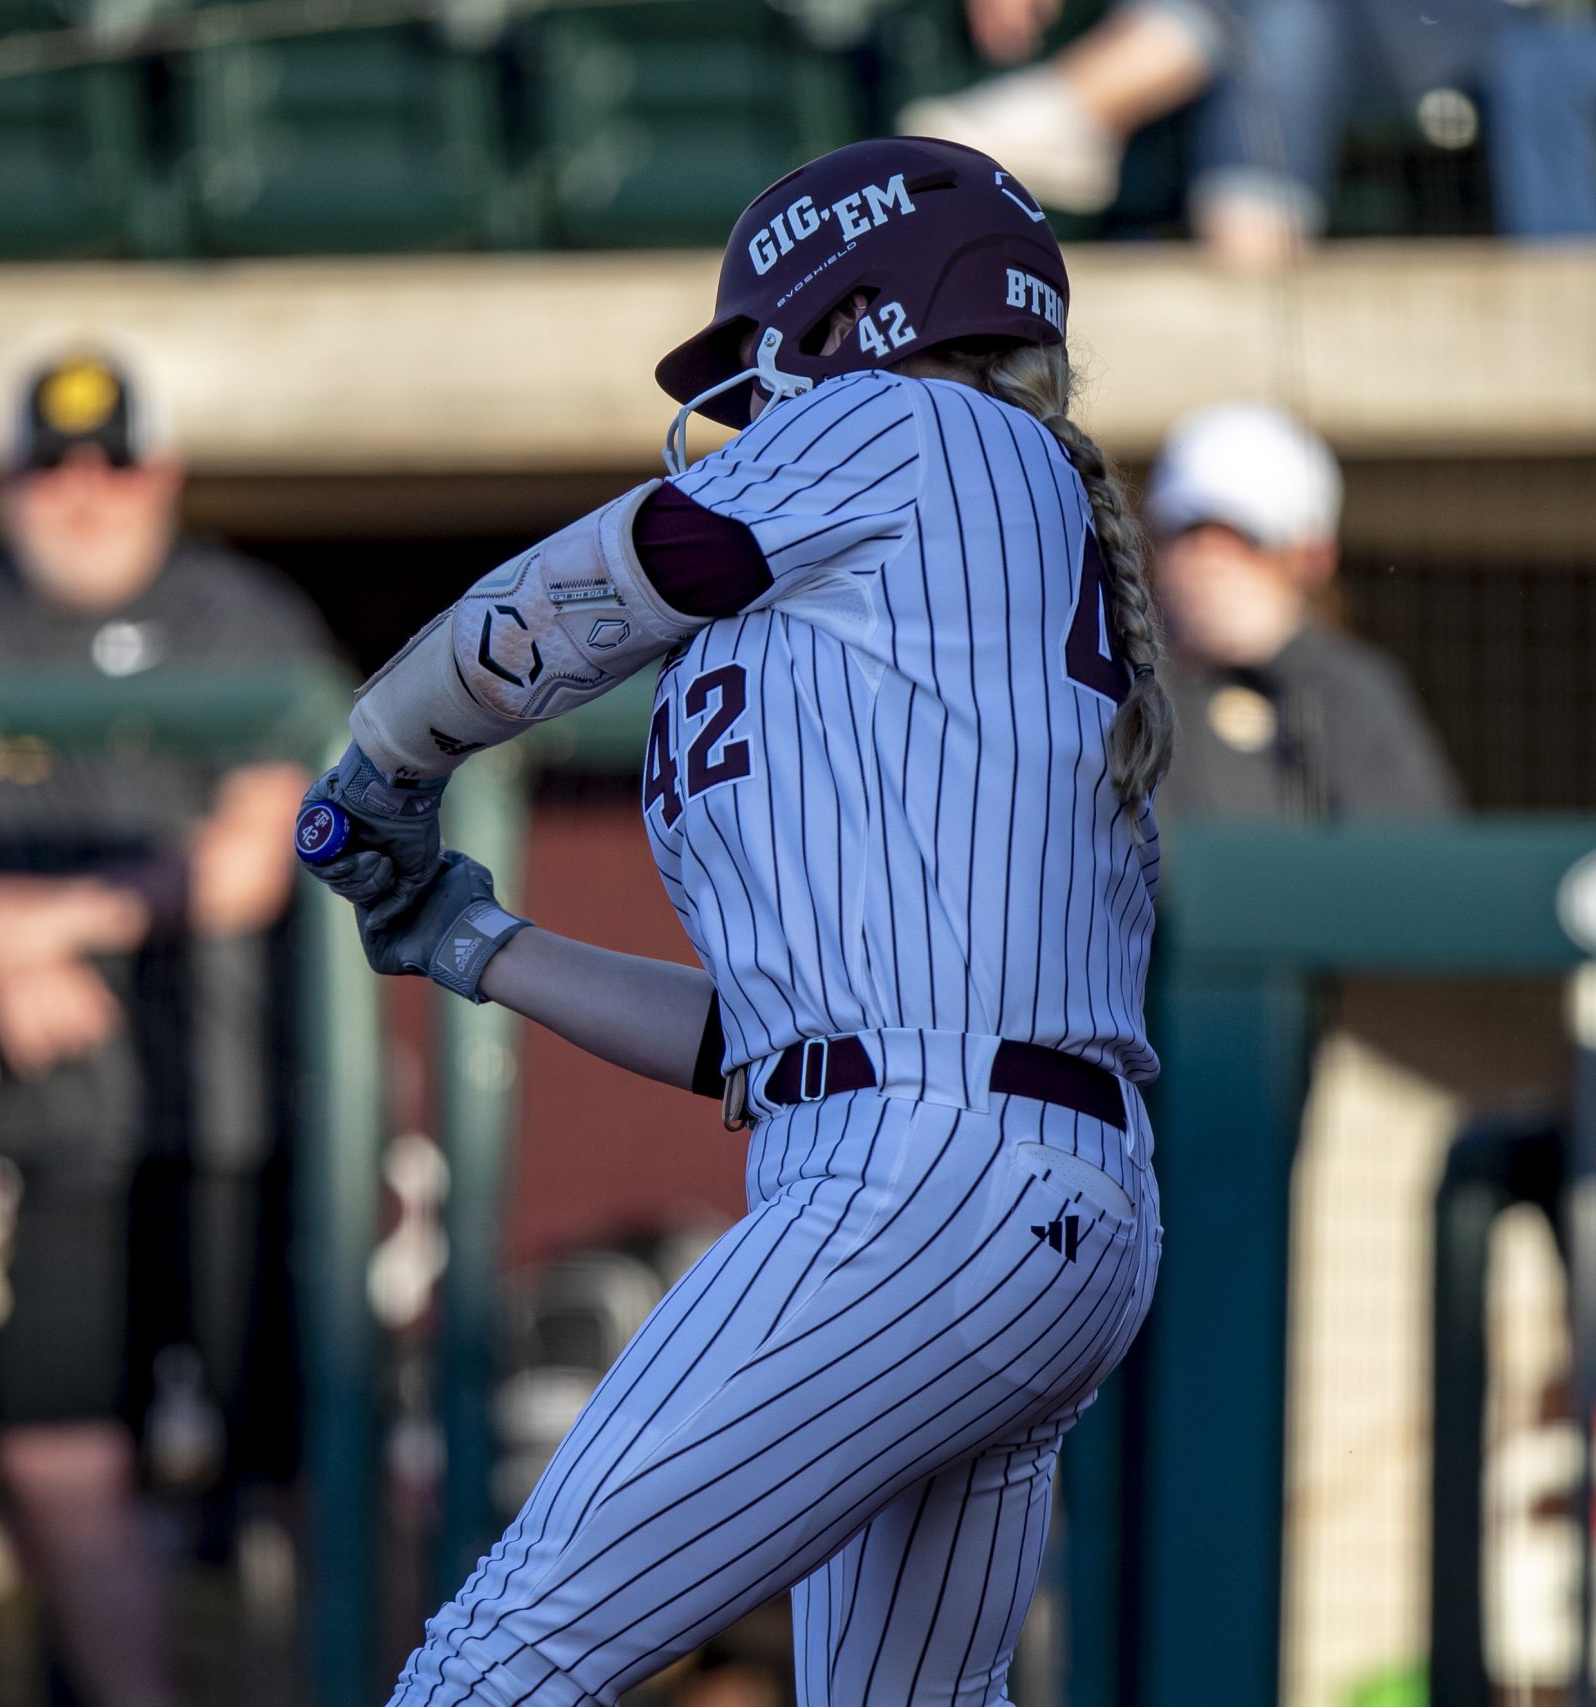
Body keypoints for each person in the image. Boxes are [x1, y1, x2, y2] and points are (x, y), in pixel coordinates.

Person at [298, 137, 1169, 1704]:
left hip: (920, 1173)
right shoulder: (957, 570)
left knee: (497, 1660)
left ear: (848, 315)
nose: (748, 401)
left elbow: (625, 568)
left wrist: (384, 753)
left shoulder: (910, 421)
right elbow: (765, 1047)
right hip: (1022, 1190)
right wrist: (478, 943)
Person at [0, 351, 327, 1707]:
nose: (83, 493)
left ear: (164, 474)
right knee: (50, 1446)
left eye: (112, 462)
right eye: (51, 466)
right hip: (64, 1107)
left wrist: (42, 924)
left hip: (243, 1105)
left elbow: (251, 852)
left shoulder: (241, 613)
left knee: (303, 1452)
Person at [901, 0, 1501, 266]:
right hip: (1292, 28)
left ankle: (1084, 104)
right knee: (1284, 20)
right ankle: (1250, 273)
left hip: (1454, 29)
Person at [1143, 402, 1458, 822]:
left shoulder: (1358, 691)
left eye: (1245, 538)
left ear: (1314, 557)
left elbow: (1415, 852)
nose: (1210, 562)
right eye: (1188, 533)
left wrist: (1286, 656)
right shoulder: (1123, 687)